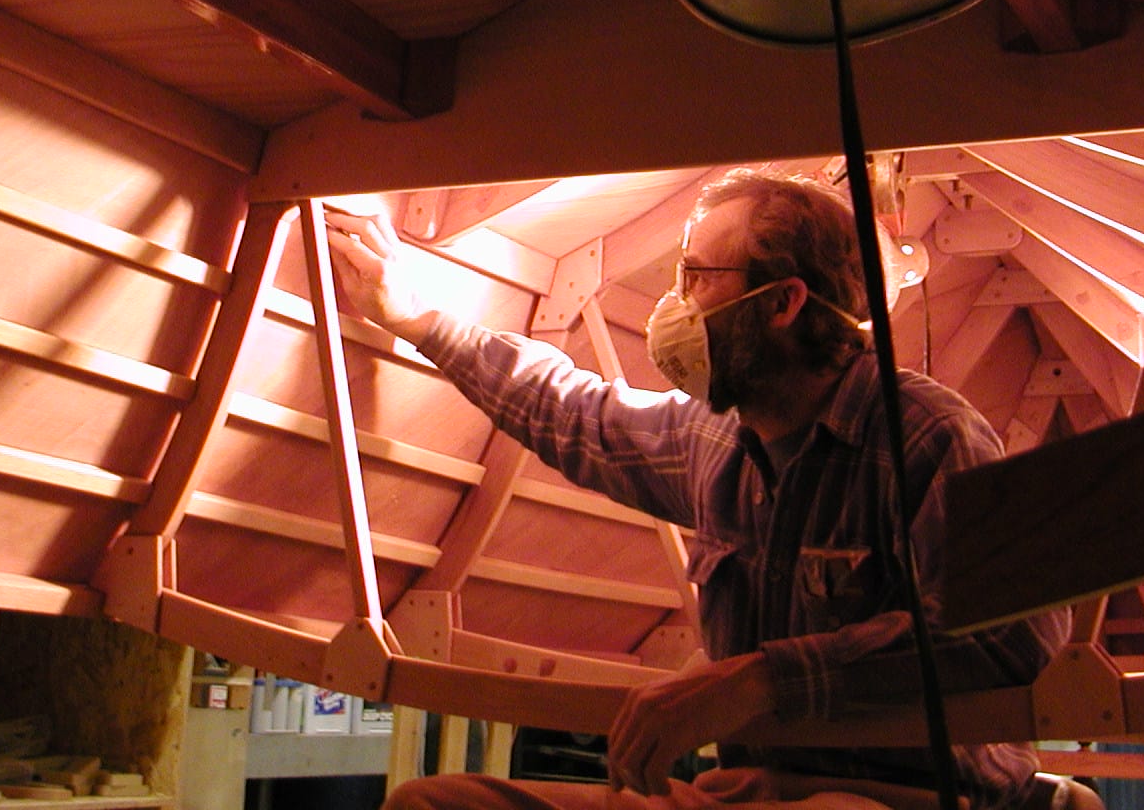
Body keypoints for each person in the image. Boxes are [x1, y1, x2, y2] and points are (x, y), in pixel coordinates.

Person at [326, 169, 1080, 810]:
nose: (675, 304)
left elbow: (1013, 633)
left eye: (696, 278)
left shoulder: (924, 435)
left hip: (908, 799)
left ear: (783, 303)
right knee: (430, 806)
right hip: (747, 792)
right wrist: (419, 320)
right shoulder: (711, 437)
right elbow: (571, 414)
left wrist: (763, 680)